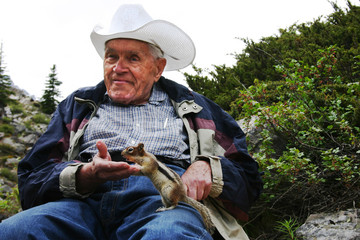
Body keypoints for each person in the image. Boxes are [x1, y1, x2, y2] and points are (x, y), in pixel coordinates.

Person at [0, 4, 262, 240]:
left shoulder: (196, 107)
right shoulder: (77, 105)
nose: (117, 68)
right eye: (112, 56)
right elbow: (31, 179)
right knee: (14, 232)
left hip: (162, 201)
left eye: (133, 58)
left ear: (158, 68)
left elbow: (249, 178)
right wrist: (84, 174)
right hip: (82, 204)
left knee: (168, 236)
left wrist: (209, 168)